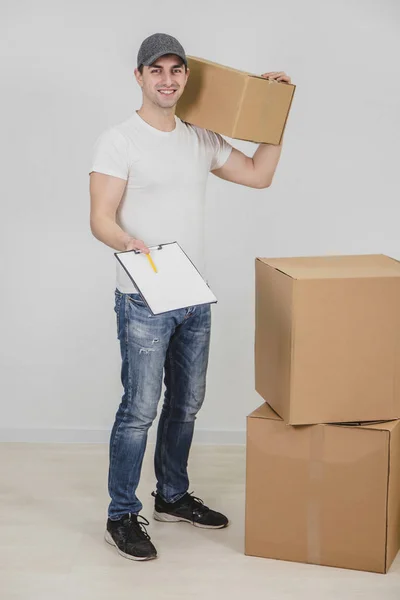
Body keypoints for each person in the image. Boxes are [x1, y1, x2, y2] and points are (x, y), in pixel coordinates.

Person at [89, 32, 291, 562]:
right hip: (143, 295)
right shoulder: (118, 140)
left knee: (186, 404)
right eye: (156, 70)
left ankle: (172, 495)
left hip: (193, 295)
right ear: (139, 76)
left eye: (176, 70)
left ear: (186, 77)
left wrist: (275, 112)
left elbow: (258, 175)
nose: (167, 79)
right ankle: (120, 515)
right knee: (139, 409)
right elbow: (100, 218)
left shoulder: (200, 137)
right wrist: (126, 242)